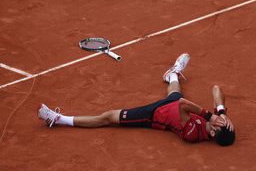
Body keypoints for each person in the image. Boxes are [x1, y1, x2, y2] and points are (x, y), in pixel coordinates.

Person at [38, 53, 235, 146]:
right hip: (172, 103)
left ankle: (58, 119)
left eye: (218, 125)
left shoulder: (193, 134)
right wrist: (222, 112)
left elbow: (184, 106)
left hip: (154, 115)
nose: (218, 122)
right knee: (174, 89)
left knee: (107, 117)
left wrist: (209, 115)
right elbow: (216, 89)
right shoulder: (218, 125)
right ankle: (172, 74)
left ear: (213, 134)